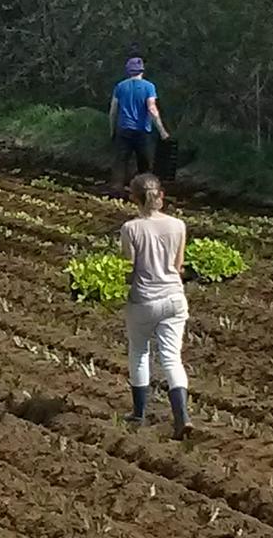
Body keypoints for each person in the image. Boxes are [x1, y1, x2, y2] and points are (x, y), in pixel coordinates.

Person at [120, 173, 192, 440]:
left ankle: (139, 413)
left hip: (144, 300)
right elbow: (178, 267)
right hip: (174, 298)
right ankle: (182, 417)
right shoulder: (178, 225)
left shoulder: (131, 229)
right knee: (172, 357)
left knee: (139, 352)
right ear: (161, 196)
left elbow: (129, 269)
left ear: (134, 199)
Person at [109, 56, 170, 193]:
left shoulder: (120, 86)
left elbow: (113, 111)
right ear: (142, 71)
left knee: (120, 162)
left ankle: (116, 190)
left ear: (128, 71)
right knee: (145, 164)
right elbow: (152, 109)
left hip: (123, 129)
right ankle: (145, 192)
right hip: (143, 131)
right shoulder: (149, 87)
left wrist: (112, 129)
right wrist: (162, 131)